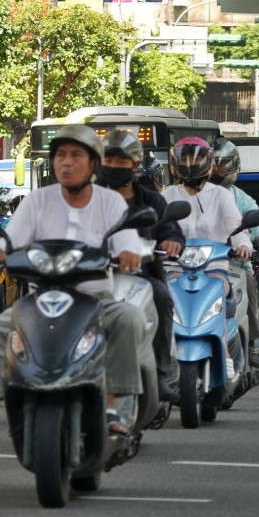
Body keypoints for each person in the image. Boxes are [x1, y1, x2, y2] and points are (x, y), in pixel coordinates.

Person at [0, 124, 146, 436]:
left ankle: (112, 404)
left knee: (130, 317)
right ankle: (19, 396)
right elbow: (11, 240)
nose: (66, 162)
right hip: (39, 303)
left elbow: (126, 240)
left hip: (93, 301)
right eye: (60, 155)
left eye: (76, 155)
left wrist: (130, 253)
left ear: (93, 163)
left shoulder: (111, 202)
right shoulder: (38, 200)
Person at [99, 130, 184, 402]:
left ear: (135, 166)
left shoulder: (152, 200)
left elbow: (171, 229)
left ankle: (159, 374)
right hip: (93, 277)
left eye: (121, 162)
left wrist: (171, 241)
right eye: (107, 160)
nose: (113, 167)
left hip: (142, 277)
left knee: (161, 297)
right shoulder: (89, 198)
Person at [162, 138, 255, 368]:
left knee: (219, 292)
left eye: (198, 157)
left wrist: (242, 243)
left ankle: (223, 349)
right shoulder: (168, 195)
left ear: (208, 162)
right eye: (184, 157)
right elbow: (156, 225)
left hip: (213, 264)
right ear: (175, 162)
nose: (191, 163)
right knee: (162, 298)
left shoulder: (222, 195)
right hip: (174, 264)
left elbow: (236, 223)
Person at [209, 139, 259, 368]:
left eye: (222, 165)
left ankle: (252, 343)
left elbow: (257, 219)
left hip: (233, 263)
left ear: (234, 166)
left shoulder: (240, 197)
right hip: (197, 264)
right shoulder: (193, 194)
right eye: (212, 165)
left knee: (250, 285)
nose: (216, 170)